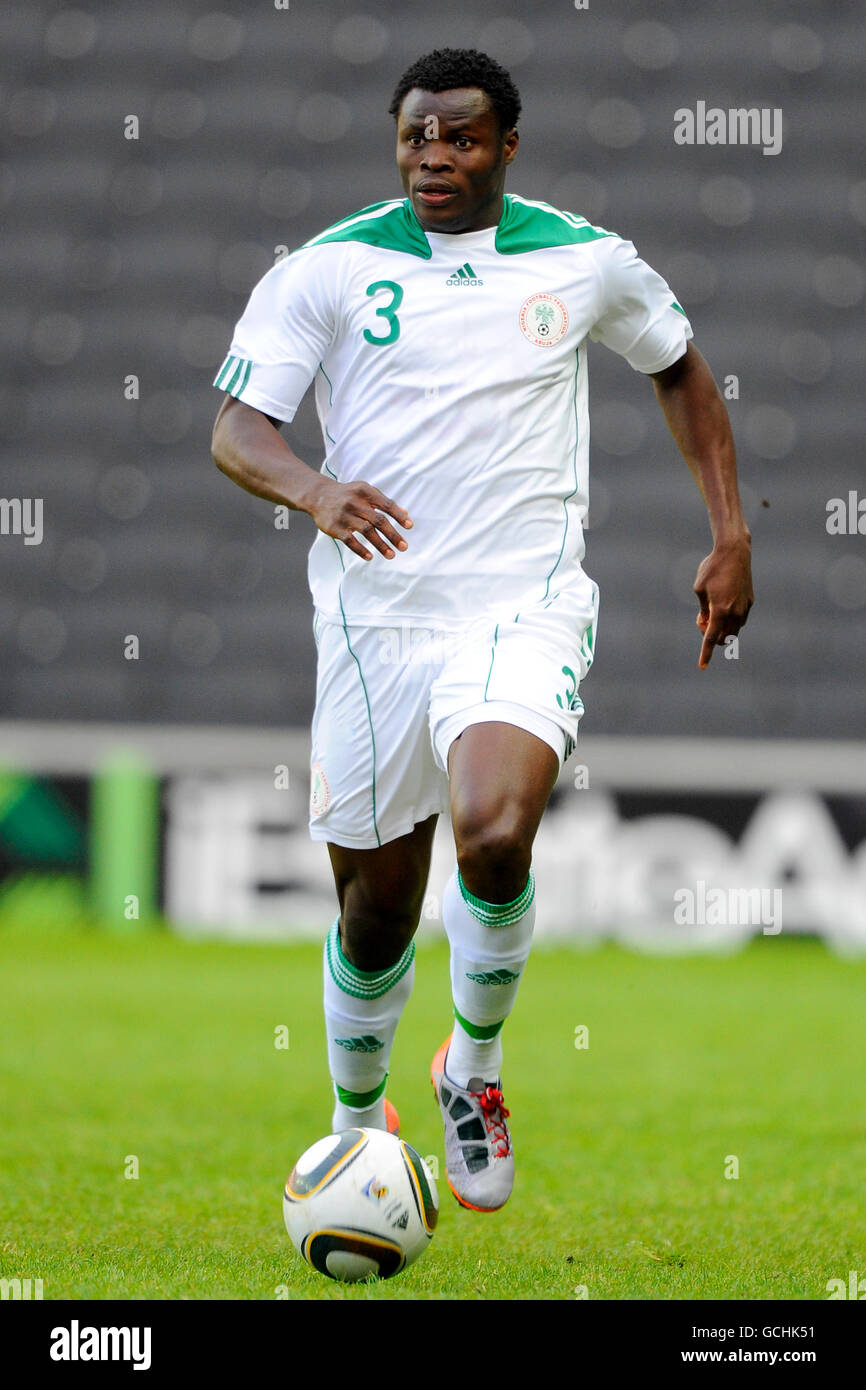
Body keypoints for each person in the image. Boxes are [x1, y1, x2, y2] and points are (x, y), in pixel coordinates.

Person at [211, 47, 753, 1213]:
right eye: (416, 136)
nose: (433, 157)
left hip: (522, 606)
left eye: (459, 137)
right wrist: (312, 491)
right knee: (373, 912)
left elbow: (680, 370)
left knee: (494, 833)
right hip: (371, 624)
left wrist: (728, 533)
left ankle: (476, 1066)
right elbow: (236, 428)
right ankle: (359, 1130)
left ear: (507, 144)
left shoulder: (584, 260)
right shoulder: (326, 268)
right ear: (394, 140)